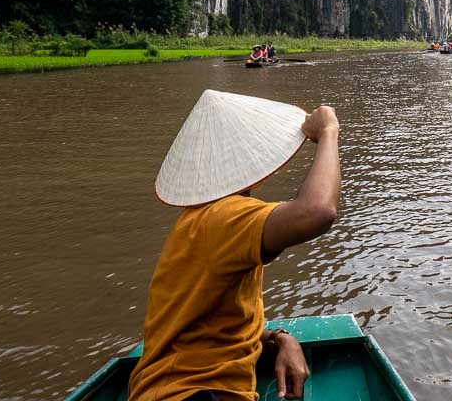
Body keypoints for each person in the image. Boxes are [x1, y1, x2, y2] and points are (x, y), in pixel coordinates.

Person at [128, 102, 342, 401]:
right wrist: (329, 131)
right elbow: (317, 212)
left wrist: (277, 339)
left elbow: (206, 324)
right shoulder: (226, 216)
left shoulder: (200, 218)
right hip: (190, 394)